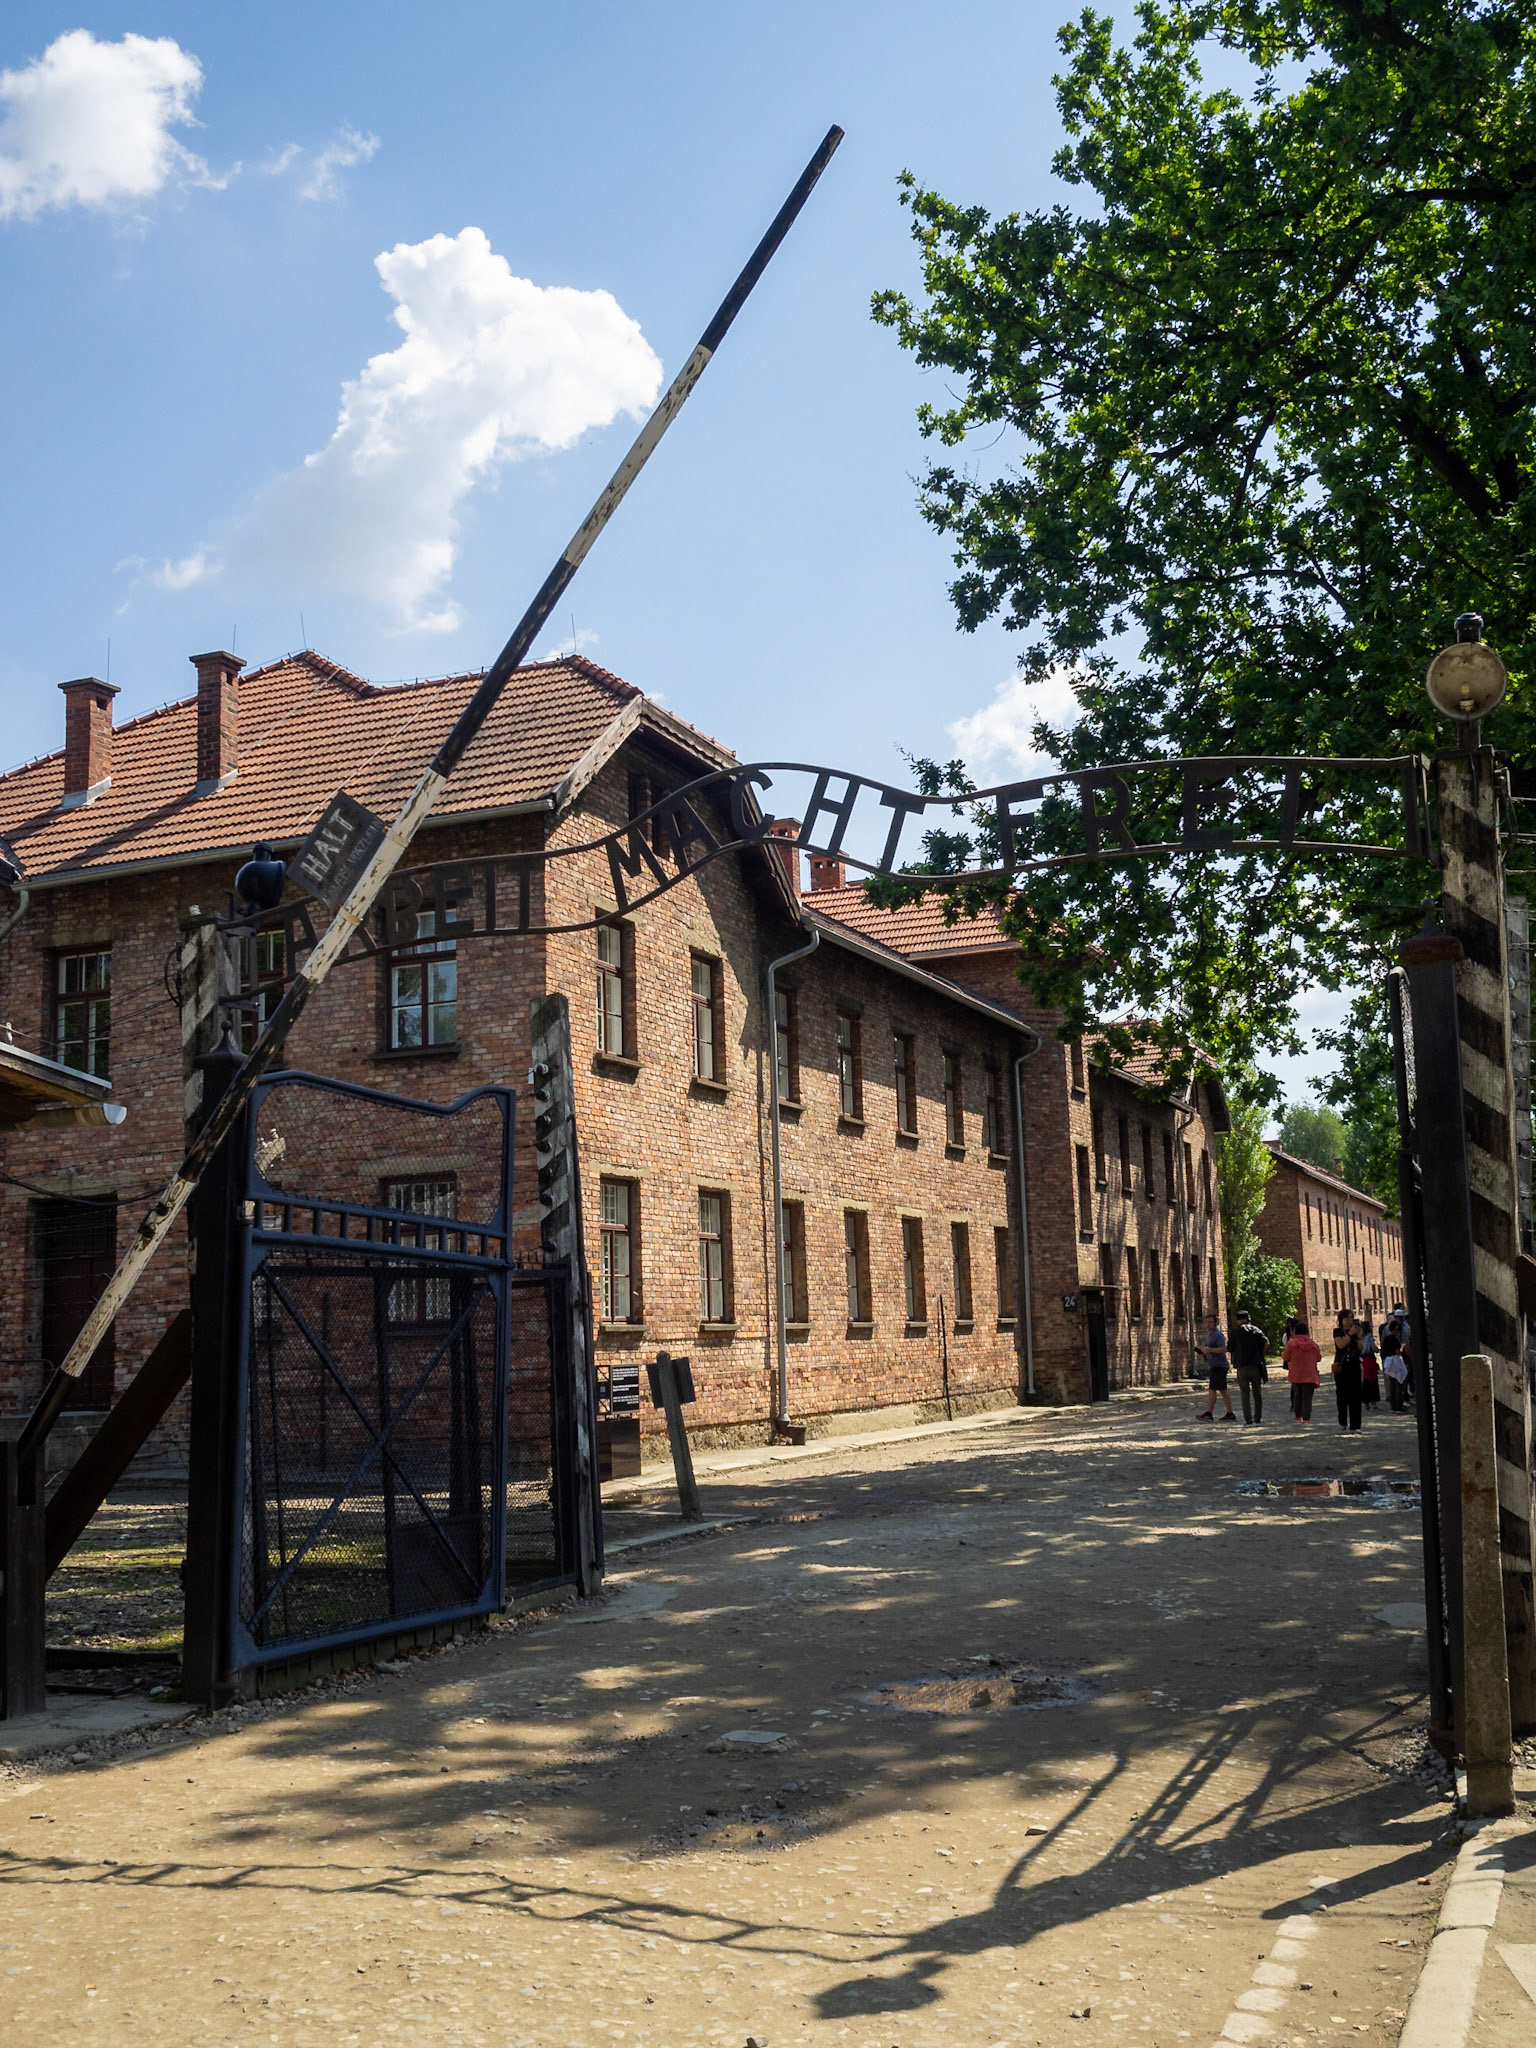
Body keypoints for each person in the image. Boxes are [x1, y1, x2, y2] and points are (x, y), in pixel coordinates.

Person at [1230, 1305, 1269, 1425]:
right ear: (1248, 1319)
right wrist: (1260, 1353)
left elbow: (1230, 1347)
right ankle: (1258, 1417)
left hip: (1241, 1366)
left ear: (1237, 1320)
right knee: (1257, 1393)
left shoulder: (1236, 1332)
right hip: (1256, 1366)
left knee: (1244, 1394)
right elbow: (1266, 1342)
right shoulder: (1256, 1330)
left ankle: (1248, 1419)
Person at [1194, 1313, 1236, 1421]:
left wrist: (1209, 1350)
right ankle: (1230, 1413)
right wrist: (1203, 1353)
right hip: (1214, 1365)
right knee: (1222, 1390)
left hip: (1219, 1366)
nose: (1207, 1324)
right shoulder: (1210, 1335)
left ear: (1215, 1323)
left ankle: (1209, 1413)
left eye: (1210, 1322)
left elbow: (1224, 1349)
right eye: (1206, 1322)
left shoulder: (1218, 1335)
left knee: (1213, 1389)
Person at [1284, 1318, 1322, 1423]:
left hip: (1296, 1373)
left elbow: (1286, 1356)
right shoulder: (1313, 1344)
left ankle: (1298, 1416)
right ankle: (1306, 1418)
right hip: (1310, 1374)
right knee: (1307, 1397)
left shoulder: (1291, 1343)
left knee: (1298, 1395)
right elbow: (1318, 1358)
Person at [1332, 1308, 1364, 1430]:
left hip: (1355, 1365)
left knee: (1356, 1396)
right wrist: (1349, 1334)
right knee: (1342, 1395)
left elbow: (1361, 1348)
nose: (1350, 1320)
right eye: (1348, 1317)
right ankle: (1343, 1421)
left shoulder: (1356, 1332)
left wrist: (1359, 1337)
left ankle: (1356, 1425)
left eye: (1352, 1317)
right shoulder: (1338, 1331)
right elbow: (1340, 1344)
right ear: (1342, 1319)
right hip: (1342, 1367)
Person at [1360, 1315, 1380, 1409]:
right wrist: (1377, 1350)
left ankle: (1365, 1402)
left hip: (1362, 1361)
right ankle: (1373, 1402)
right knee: (1372, 1381)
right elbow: (1373, 1348)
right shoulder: (1369, 1337)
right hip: (1370, 1360)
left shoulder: (1359, 1338)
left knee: (1364, 1381)